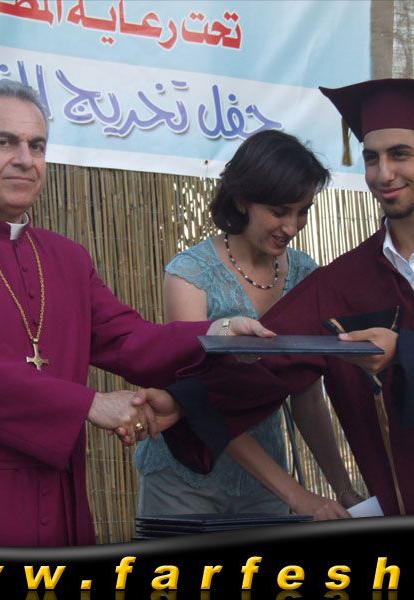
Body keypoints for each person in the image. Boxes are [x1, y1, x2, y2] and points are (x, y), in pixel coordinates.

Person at [148, 78, 414, 518]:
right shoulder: (341, 283)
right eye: (372, 158)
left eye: (400, 154)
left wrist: (405, 352)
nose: (383, 173)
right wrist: (183, 402)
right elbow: (272, 362)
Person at [0, 79, 270, 546]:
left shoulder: (66, 257)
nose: (25, 159)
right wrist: (89, 404)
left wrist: (219, 331)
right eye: (5, 142)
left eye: (37, 145)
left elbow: (128, 339)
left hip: (53, 492)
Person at [134, 131, 364, 520]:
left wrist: (343, 489)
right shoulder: (190, 274)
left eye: (303, 211)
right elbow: (200, 403)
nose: (292, 227)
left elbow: (308, 396)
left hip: (265, 485)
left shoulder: (306, 275)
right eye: (279, 211)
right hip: (184, 482)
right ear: (242, 199)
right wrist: (297, 496)